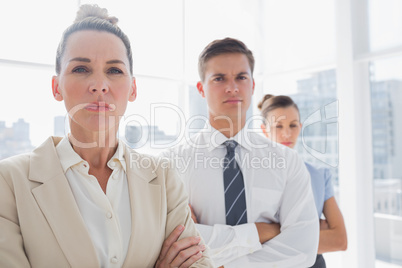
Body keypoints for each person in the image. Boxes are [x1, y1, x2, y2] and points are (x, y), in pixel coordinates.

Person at [0, 5, 213, 268]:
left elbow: (198, 262)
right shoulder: (9, 181)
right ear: (57, 87)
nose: (99, 84)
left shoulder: (163, 176)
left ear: (133, 89)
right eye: (80, 69)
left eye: (114, 70)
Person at [161, 37, 319, 267]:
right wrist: (259, 233)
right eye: (219, 78)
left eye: (241, 77)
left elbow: (302, 249)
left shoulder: (288, 161)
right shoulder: (171, 163)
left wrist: (219, 262)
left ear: (253, 85)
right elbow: (170, 242)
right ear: (200, 89)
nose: (232, 87)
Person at [258, 94, 348, 268]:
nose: (287, 133)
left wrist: (271, 233)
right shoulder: (255, 176)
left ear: (300, 127)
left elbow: (339, 240)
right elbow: (248, 243)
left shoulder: (320, 174)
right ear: (264, 130)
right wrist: (311, 232)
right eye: (278, 126)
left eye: (293, 125)